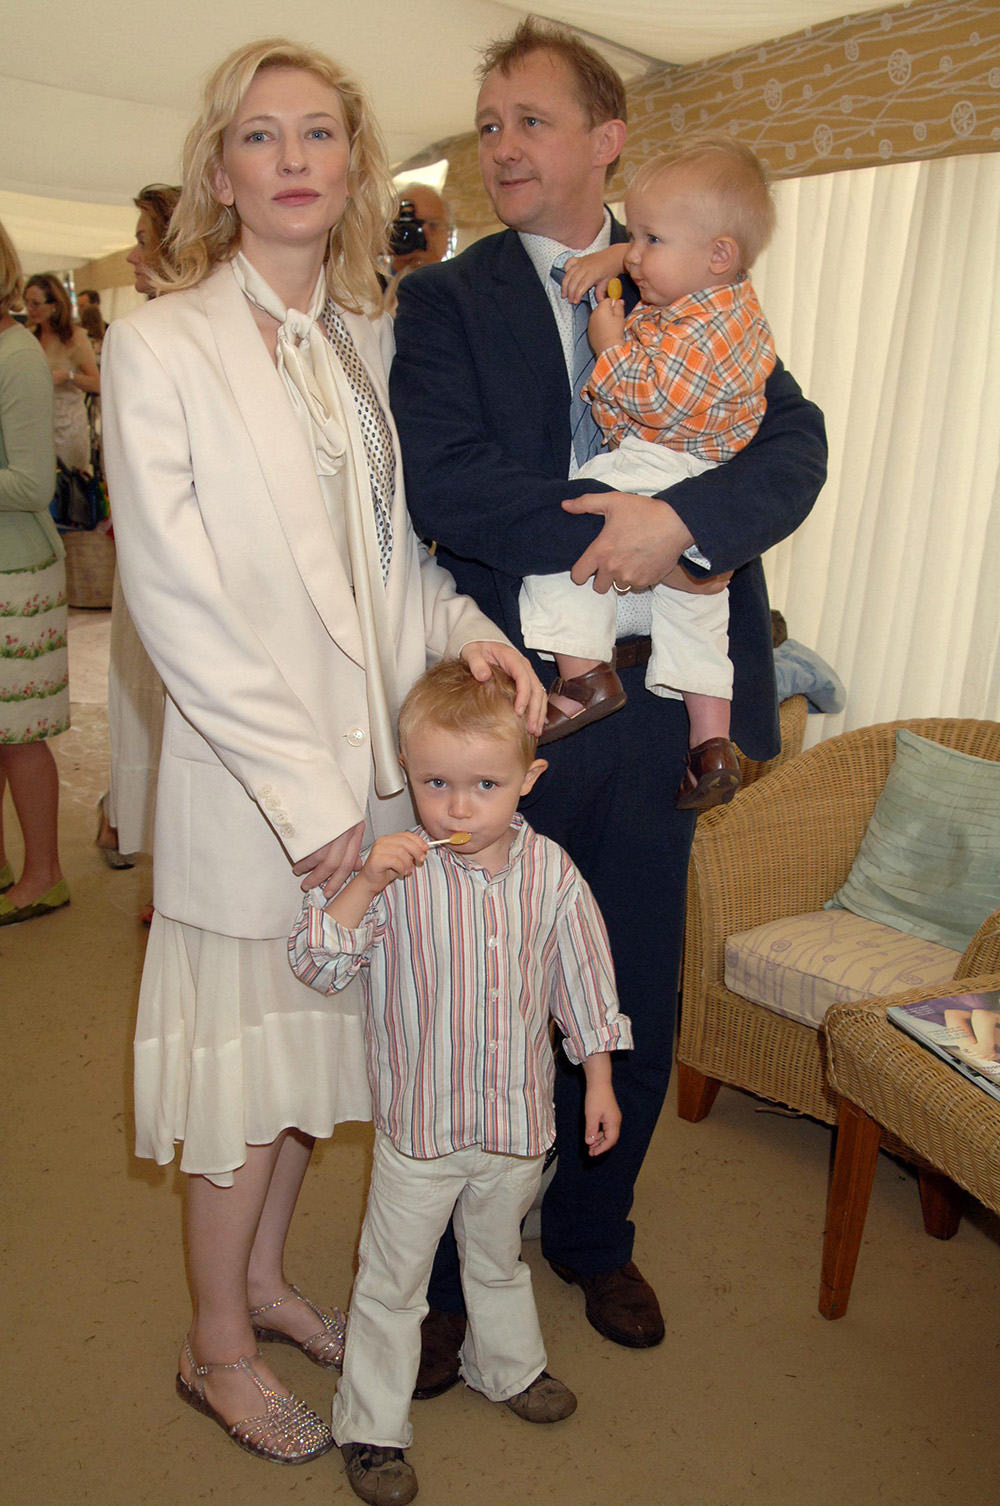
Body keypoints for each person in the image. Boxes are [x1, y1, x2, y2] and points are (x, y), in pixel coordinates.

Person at [101, 38, 543, 1467]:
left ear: (353, 164)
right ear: (218, 173)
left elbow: (388, 565)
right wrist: (308, 807)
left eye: (318, 135)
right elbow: (173, 600)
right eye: (259, 136)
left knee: (309, 1071)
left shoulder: (367, 341)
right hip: (259, 799)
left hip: (367, 783)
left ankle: (270, 1286)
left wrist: (467, 627)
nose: (292, 158)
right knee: (240, 1092)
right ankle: (211, 1343)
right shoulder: (157, 341)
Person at [390, 17, 827, 1371]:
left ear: (606, 139)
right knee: (485, 998)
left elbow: (793, 444)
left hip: (661, 716)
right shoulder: (449, 301)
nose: (502, 146)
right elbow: (448, 482)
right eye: (490, 122)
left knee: (625, 989)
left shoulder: (696, 275)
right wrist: (610, 532)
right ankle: (462, 1261)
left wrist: (681, 526)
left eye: (531, 119)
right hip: (514, 707)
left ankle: (592, 1231)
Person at [289, 659, 630, 1506]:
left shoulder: (552, 874)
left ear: (529, 778)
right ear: (409, 775)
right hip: (422, 1130)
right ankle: (369, 1426)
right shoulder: (394, 875)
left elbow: (584, 980)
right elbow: (318, 965)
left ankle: (505, 1368)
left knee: (498, 1258)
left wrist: (597, 1081)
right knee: (392, 1279)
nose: (459, 806)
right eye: (437, 782)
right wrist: (364, 882)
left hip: (515, 1123)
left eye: (485, 783)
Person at [520, 138, 777, 811]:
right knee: (697, 619)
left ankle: (582, 676)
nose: (634, 256)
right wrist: (622, 256)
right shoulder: (730, 307)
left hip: (654, 462)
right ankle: (710, 745)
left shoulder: (696, 327)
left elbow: (652, 397)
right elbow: (665, 274)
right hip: (709, 482)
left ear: (717, 254)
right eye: (631, 236)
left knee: (569, 547)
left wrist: (608, 346)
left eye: (649, 239)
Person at [96, 185, 181, 883]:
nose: (133, 253)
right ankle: (158, 861)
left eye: (145, 240)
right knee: (145, 709)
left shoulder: (156, 339)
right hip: (148, 565)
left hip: (181, 574)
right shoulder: (140, 336)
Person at [0, 219, 68, 925]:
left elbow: (27, 483)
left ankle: (44, 873)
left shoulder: (15, 353)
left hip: (15, 572)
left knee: (20, 736)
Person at [23, 272, 100, 472]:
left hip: (67, 428)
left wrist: (68, 376)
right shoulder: (29, 336)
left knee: (69, 488)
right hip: (35, 425)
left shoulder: (74, 338)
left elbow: (98, 384)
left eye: (36, 303)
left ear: (54, 305)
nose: (30, 309)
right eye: (27, 303)